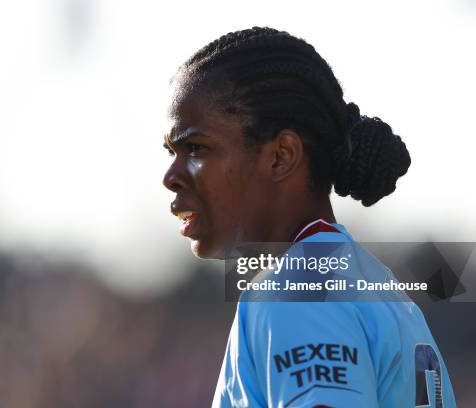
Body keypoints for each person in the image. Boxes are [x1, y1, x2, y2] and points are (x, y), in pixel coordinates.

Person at [162, 27, 456, 407]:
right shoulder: (367, 281)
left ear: (282, 155)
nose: (171, 176)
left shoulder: (298, 293)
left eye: (196, 148)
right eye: (171, 152)